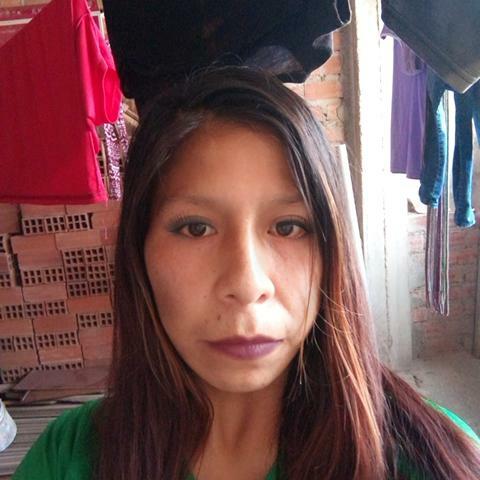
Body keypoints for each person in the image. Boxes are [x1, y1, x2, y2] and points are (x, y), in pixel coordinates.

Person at [13, 66, 480, 480]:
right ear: (139, 252)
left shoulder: (433, 459)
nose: (247, 283)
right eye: (196, 228)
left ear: (331, 251)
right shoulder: (69, 459)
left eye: (288, 227)